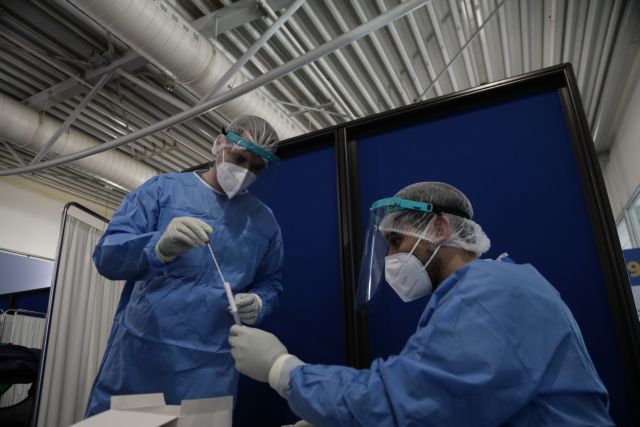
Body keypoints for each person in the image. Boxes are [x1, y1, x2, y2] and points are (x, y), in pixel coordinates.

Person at [229, 182, 614, 426]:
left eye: (396, 242)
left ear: (439, 228)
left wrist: (283, 370)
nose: (390, 258)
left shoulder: (487, 296)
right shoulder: (493, 286)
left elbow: (405, 402)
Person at [85, 115, 285, 416]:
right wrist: (158, 247)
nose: (244, 172)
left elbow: (271, 282)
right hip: (141, 361)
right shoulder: (162, 191)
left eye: (256, 167)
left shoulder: (264, 222)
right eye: (239, 158)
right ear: (219, 144)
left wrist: (259, 301)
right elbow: (107, 257)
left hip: (210, 374)